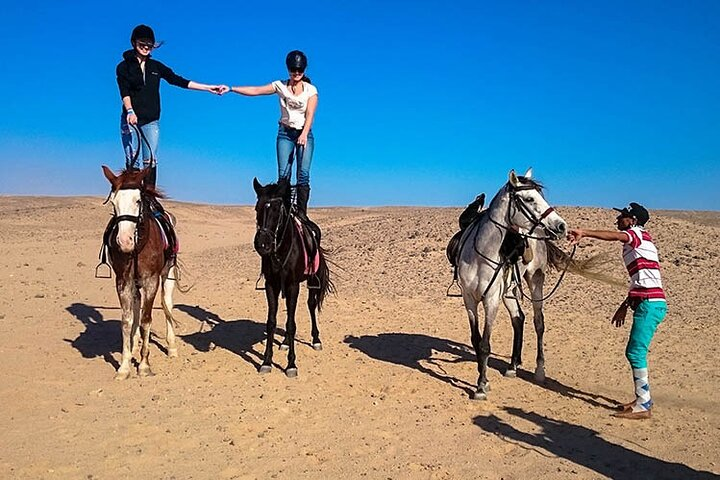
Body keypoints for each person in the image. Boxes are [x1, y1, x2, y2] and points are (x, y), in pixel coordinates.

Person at [568, 202, 667, 420]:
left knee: (635, 352)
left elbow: (614, 236)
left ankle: (644, 404)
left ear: (633, 220)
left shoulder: (636, 234)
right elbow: (641, 281)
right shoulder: (641, 240)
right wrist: (624, 306)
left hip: (650, 304)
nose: (618, 219)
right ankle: (642, 398)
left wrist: (584, 232)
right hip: (647, 301)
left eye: (623, 216)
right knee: (635, 351)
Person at [116, 24, 224, 188]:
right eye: (142, 43)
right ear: (133, 43)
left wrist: (207, 87)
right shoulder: (123, 67)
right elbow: (124, 91)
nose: (146, 47)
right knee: (134, 161)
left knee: (150, 160)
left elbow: (177, 80)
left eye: (149, 44)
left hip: (151, 120)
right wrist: (130, 111)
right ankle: (131, 201)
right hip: (131, 120)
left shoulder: (156, 67)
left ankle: (150, 199)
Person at [221, 50, 318, 216]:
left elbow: (310, 115)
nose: (296, 73)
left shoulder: (311, 90)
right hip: (285, 134)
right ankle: (285, 212)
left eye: (299, 70)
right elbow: (256, 90)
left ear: (304, 70)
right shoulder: (280, 85)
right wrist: (231, 89)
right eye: (293, 70)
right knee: (283, 175)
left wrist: (303, 134)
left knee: (302, 174)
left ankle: (302, 214)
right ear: (288, 69)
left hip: (304, 133)